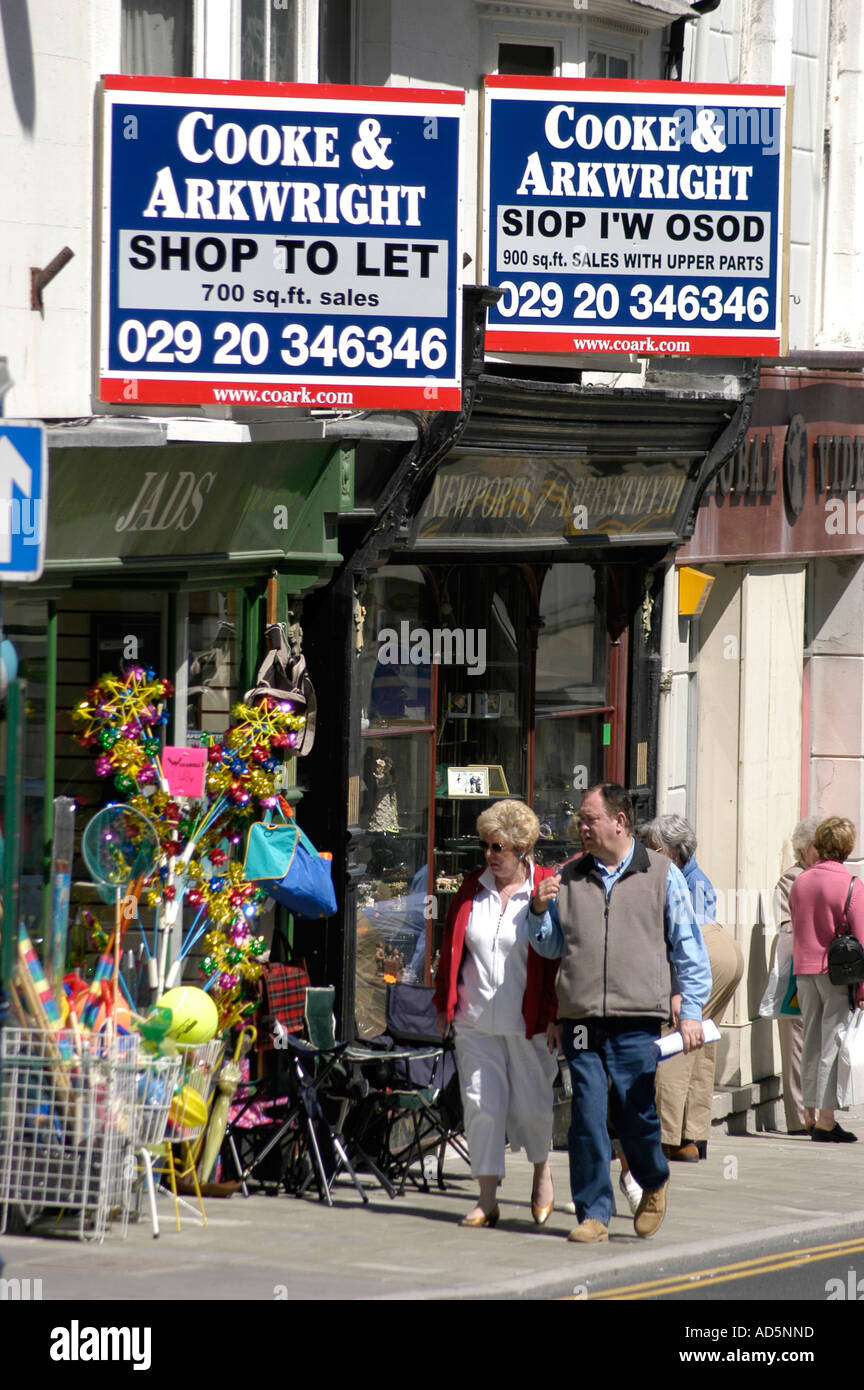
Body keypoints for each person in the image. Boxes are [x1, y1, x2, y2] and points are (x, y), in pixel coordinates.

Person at [528, 783, 711, 1243]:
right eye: (579, 820)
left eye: (589, 819)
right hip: (582, 1018)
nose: (581, 828)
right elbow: (550, 946)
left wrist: (690, 1011)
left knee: (636, 1110)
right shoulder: (568, 875)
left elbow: (688, 947)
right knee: (587, 1115)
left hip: (637, 1015)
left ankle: (654, 1179)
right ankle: (593, 1212)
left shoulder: (661, 873)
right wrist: (538, 911)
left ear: (619, 822)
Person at [433, 799, 560, 1228]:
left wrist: (557, 1014)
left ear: (522, 848)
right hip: (474, 1019)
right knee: (481, 1105)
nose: (489, 855)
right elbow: (450, 951)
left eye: (498, 847)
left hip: (528, 1021)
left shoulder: (543, 888)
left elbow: (559, 958)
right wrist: (445, 1004)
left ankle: (542, 1176)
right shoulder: (472, 887)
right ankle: (487, 1199)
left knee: (532, 1107)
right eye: (485, 846)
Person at [640, 815, 744, 1161]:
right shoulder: (690, 875)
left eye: (654, 848)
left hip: (707, 956)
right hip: (722, 954)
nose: (649, 854)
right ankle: (693, 1137)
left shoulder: (687, 881)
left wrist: (680, 992)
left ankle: (667, 1137)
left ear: (672, 851)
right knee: (699, 1046)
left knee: (676, 1043)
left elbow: (688, 946)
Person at [790, 816, 864, 1142]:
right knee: (832, 1041)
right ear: (847, 847)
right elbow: (862, 938)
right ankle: (826, 1119)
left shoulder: (800, 881)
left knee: (811, 1041)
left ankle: (809, 1111)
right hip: (837, 974)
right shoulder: (851, 884)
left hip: (804, 970)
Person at [773, 816, 821, 1133]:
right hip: (797, 971)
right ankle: (800, 1119)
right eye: (819, 848)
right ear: (804, 850)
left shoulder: (827, 877)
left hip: (822, 969)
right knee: (797, 1044)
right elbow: (786, 928)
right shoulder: (791, 880)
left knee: (818, 1043)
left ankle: (820, 1113)